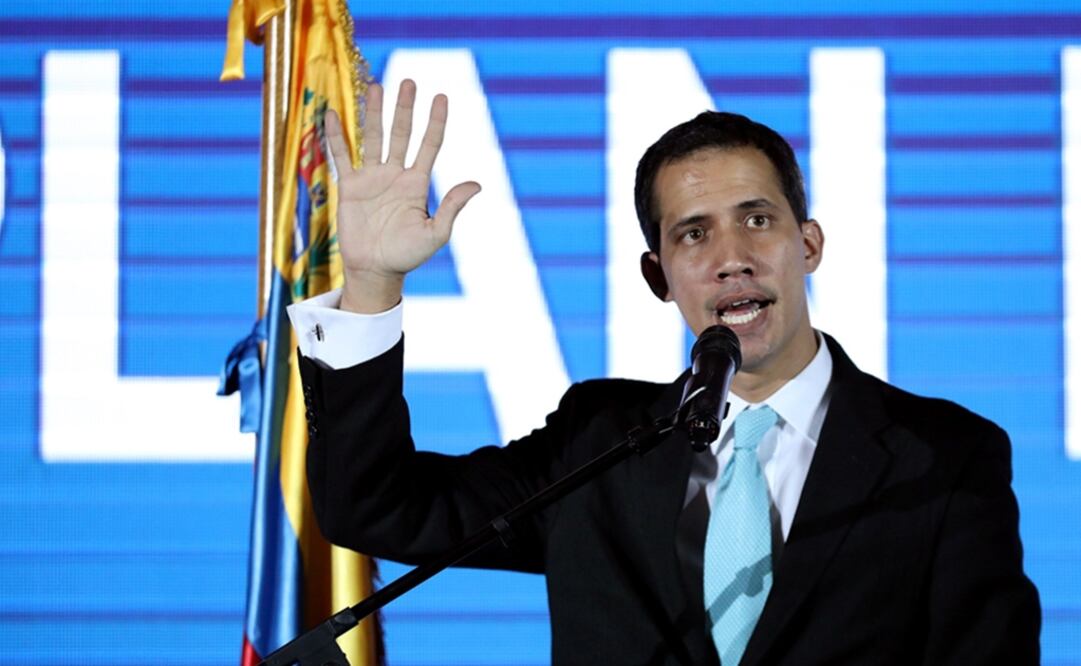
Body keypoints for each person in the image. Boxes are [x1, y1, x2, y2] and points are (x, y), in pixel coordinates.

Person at [288, 79, 1041, 664]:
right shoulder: (598, 442)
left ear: (806, 244)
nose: (731, 258)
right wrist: (371, 284)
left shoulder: (942, 455)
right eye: (692, 234)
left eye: (757, 219)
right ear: (659, 275)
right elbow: (375, 508)